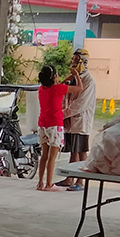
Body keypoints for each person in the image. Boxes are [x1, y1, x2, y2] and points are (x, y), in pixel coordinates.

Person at [36, 63, 83, 192]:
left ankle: (40, 183)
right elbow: (80, 87)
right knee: (52, 157)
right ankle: (49, 184)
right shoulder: (58, 89)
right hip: (55, 125)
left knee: (44, 155)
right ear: (54, 77)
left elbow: (56, 84)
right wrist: (76, 76)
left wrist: (65, 79)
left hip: (42, 124)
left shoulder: (41, 89)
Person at [56, 48, 96, 191]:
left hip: (80, 121)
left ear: (82, 62)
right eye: (72, 60)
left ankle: (80, 181)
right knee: (74, 151)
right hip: (71, 121)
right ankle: (70, 178)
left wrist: (63, 114)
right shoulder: (74, 77)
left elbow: (80, 104)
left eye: (75, 60)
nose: (72, 63)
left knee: (81, 152)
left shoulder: (88, 80)